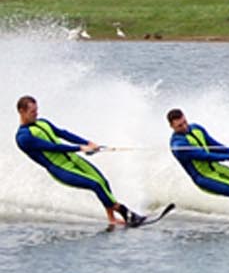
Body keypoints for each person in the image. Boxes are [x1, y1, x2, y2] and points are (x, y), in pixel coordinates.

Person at [14, 95, 145, 226]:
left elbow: (64, 134)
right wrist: (80, 148)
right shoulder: (23, 137)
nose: (36, 114)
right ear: (21, 111)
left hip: (74, 159)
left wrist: (88, 143)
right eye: (32, 112)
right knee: (95, 184)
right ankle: (124, 212)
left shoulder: (43, 122)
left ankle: (112, 218)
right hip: (61, 168)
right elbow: (53, 147)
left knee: (102, 181)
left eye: (37, 110)